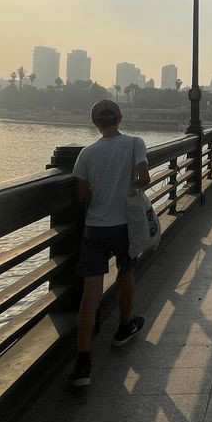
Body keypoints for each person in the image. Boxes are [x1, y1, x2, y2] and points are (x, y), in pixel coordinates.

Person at [68, 100, 149, 388]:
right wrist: (127, 188)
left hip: (95, 227)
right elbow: (143, 177)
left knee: (91, 292)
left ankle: (83, 361)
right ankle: (124, 326)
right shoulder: (134, 143)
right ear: (120, 118)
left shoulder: (87, 154)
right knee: (126, 274)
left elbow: (81, 194)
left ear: (95, 123)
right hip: (123, 225)